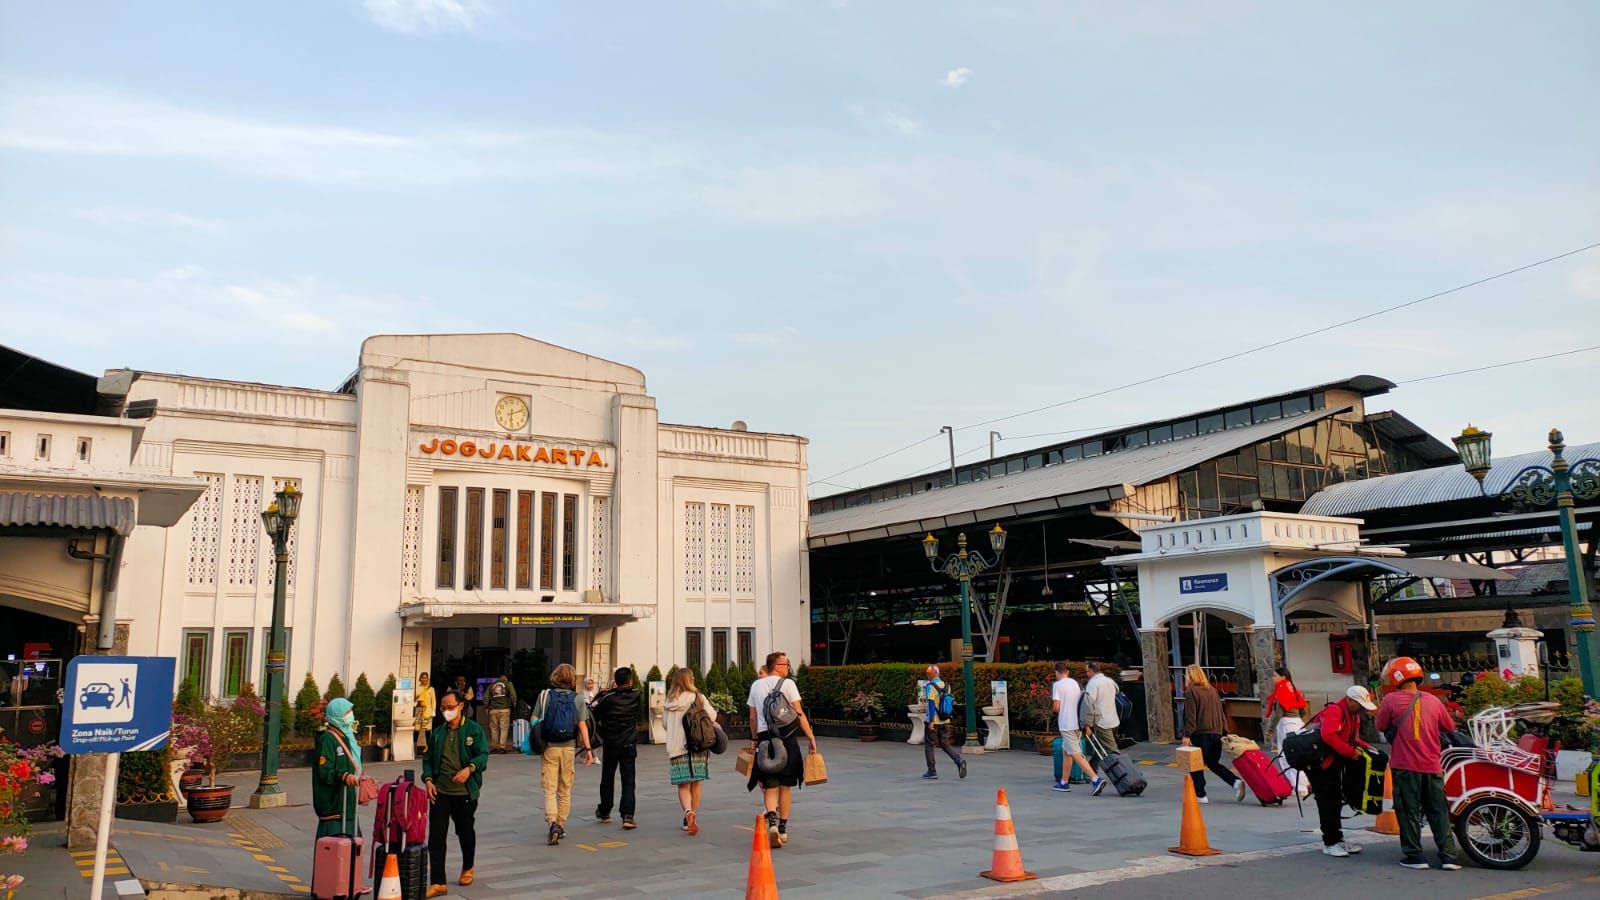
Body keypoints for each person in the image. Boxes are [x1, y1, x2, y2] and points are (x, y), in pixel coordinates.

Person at [1375, 657, 1461, 871]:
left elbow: (1380, 724)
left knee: (1408, 811)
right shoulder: (1432, 700)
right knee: (1438, 811)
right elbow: (1449, 726)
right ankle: (1449, 856)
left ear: (1396, 677)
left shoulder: (1391, 700)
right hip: (1432, 766)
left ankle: (1415, 856)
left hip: (1405, 766)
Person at [746, 651, 817, 849]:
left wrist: (753, 738)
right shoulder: (788, 685)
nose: (788, 667)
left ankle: (772, 824)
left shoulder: (756, 686)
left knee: (770, 785)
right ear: (777, 666)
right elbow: (799, 713)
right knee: (786, 785)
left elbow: (752, 717)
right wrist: (810, 736)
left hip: (764, 739)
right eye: (786, 664)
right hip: (787, 738)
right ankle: (783, 829)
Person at [422, 690, 488, 896]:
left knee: (465, 832)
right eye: (443, 708)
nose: (446, 711)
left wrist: (469, 769)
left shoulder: (473, 730)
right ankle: (438, 881)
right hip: (440, 791)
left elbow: (483, 755)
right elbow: (428, 759)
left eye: (450, 707)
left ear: (460, 706)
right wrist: (428, 779)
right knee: (436, 837)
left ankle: (468, 867)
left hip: (464, 792)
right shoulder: (438, 732)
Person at [1311, 685, 1378, 858]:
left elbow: (1353, 738)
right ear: (1349, 700)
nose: (1362, 709)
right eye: (1360, 705)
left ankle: (1337, 839)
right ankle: (1330, 842)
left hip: (1334, 763)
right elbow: (1328, 735)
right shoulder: (1335, 711)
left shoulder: (1352, 714)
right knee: (1327, 802)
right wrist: (1350, 752)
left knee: (1335, 801)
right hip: (1323, 764)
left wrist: (1366, 748)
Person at [534, 663, 596, 845]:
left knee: (549, 788)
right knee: (565, 788)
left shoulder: (545, 696)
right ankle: (560, 824)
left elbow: (534, 719)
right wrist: (588, 750)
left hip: (549, 747)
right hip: (569, 747)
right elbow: (582, 725)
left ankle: (551, 821)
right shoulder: (577, 699)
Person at [1179, 666, 1244, 804]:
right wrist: (1225, 731)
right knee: (1213, 763)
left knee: (1195, 764)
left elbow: (1191, 717)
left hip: (1200, 733)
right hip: (1216, 732)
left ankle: (1201, 794)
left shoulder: (1191, 692)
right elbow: (1221, 712)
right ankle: (1235, 782)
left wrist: (1186, 734)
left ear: (1190, 676)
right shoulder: (1212, 690)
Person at [664, 667, 717, 835]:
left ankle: (688, 812)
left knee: (683, 785)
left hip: (677, 748)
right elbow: (712, 716)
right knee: (696, 783)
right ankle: (693, 814)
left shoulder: (669, 701)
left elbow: (665, 724)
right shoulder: (698, 697)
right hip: (698, 746)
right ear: (690, 680)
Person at [590, 666, 640, 829]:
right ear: (630, 681)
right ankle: (628, 815)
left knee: (607, 778)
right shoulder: (636, 695)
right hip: (629, 742)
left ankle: (605, 810)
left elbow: (594, 714)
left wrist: (604, 693)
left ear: (615, 682)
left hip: (611, 742)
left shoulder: (608, 698)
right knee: (628, 780)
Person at [312, 698, 362, 838]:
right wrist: (344, 776)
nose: (350, 714)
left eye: (350, 711)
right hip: (334, 808)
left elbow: (351, 764)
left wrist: (358, 777)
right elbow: (324, 770)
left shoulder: (347, 736)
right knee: (334, 851)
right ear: (336, 714)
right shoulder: (328, 739)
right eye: (347, 712)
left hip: (348, 806)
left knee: (351, 849)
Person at [1049, 662, 1096, 793]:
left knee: (1076, 754)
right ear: (1067, 672)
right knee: (1067, 752)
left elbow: (1056, 707)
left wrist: (1057, 709)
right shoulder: (1074, 683)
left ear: (1057, 672)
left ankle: (1095, 779)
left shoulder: (1057, 685)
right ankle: (1064, 782)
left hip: (1066, 724)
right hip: (1077, 723)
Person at [919, 665, 966, 780]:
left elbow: (931, 704)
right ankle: (959, 761)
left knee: (929, 745)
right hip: (945, 720)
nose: (927, 675)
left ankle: (932, 771)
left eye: (928, 673)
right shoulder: (947, 686)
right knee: (944, 743)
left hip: (934, 720)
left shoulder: (930, 686)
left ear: (934, 673)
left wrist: (930, 721)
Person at [1082, 661, 1121, 763]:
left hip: (1102, 722)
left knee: (1112, 750)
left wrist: (1087, 724)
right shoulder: (1110, 681)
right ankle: (1091, 771)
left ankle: (1126, 773)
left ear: (1090, 671)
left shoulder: (1093, 683)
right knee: (1099, 747)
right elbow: (1117, 693)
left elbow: (1088, 704)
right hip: (1113, 719)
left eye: (1087, 671)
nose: (1086, 674)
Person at [1263, 666, 1307, 752]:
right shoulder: (1293, 689)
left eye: (1275, 676)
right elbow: (1303, 711)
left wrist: (1270, 730)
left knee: (1285, 753)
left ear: (1283, 677)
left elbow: (1279, 713)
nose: (1273, 678)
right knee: (1298, 752)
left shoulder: (1282, 690)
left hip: (1286, 724)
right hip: (1298, 723)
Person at [486, 673, 517, 753]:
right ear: (505, 678)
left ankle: (495, 747)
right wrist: (514, 702)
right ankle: (502, 747)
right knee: (504, 728)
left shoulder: (492, 685)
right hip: (504, 709)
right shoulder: (508, 683)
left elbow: (486, 697)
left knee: (494, 729)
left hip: (493, 710)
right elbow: (513, 694)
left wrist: (486, 707)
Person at [415, 672, 437, 752]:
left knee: (427, 730)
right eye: (423, 677)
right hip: (419, 710)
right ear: (420, 679)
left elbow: (433, 701)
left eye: (426, 678)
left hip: (428, 711)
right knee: (417, 729)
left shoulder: (431, 689)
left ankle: (428, 748)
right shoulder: (417, 688)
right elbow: (414, 699)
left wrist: (433, 711)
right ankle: (416, 747)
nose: (424, 679)